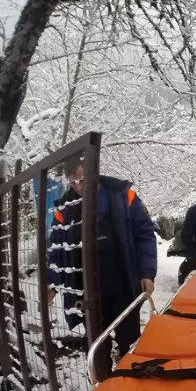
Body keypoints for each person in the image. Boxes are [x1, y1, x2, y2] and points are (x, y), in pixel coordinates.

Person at [46, 158, 157, 373]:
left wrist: (147, 273)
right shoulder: (65, 209)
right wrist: (51, 283)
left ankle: (131, 377)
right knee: (96, 343)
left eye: (82, 180)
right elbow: (57, 250)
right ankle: (103, 385)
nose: (78, 186)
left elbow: (144, 235)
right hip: (87, 289)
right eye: (72, 182)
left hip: (123, 280)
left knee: (129, 337)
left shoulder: (124, 195)